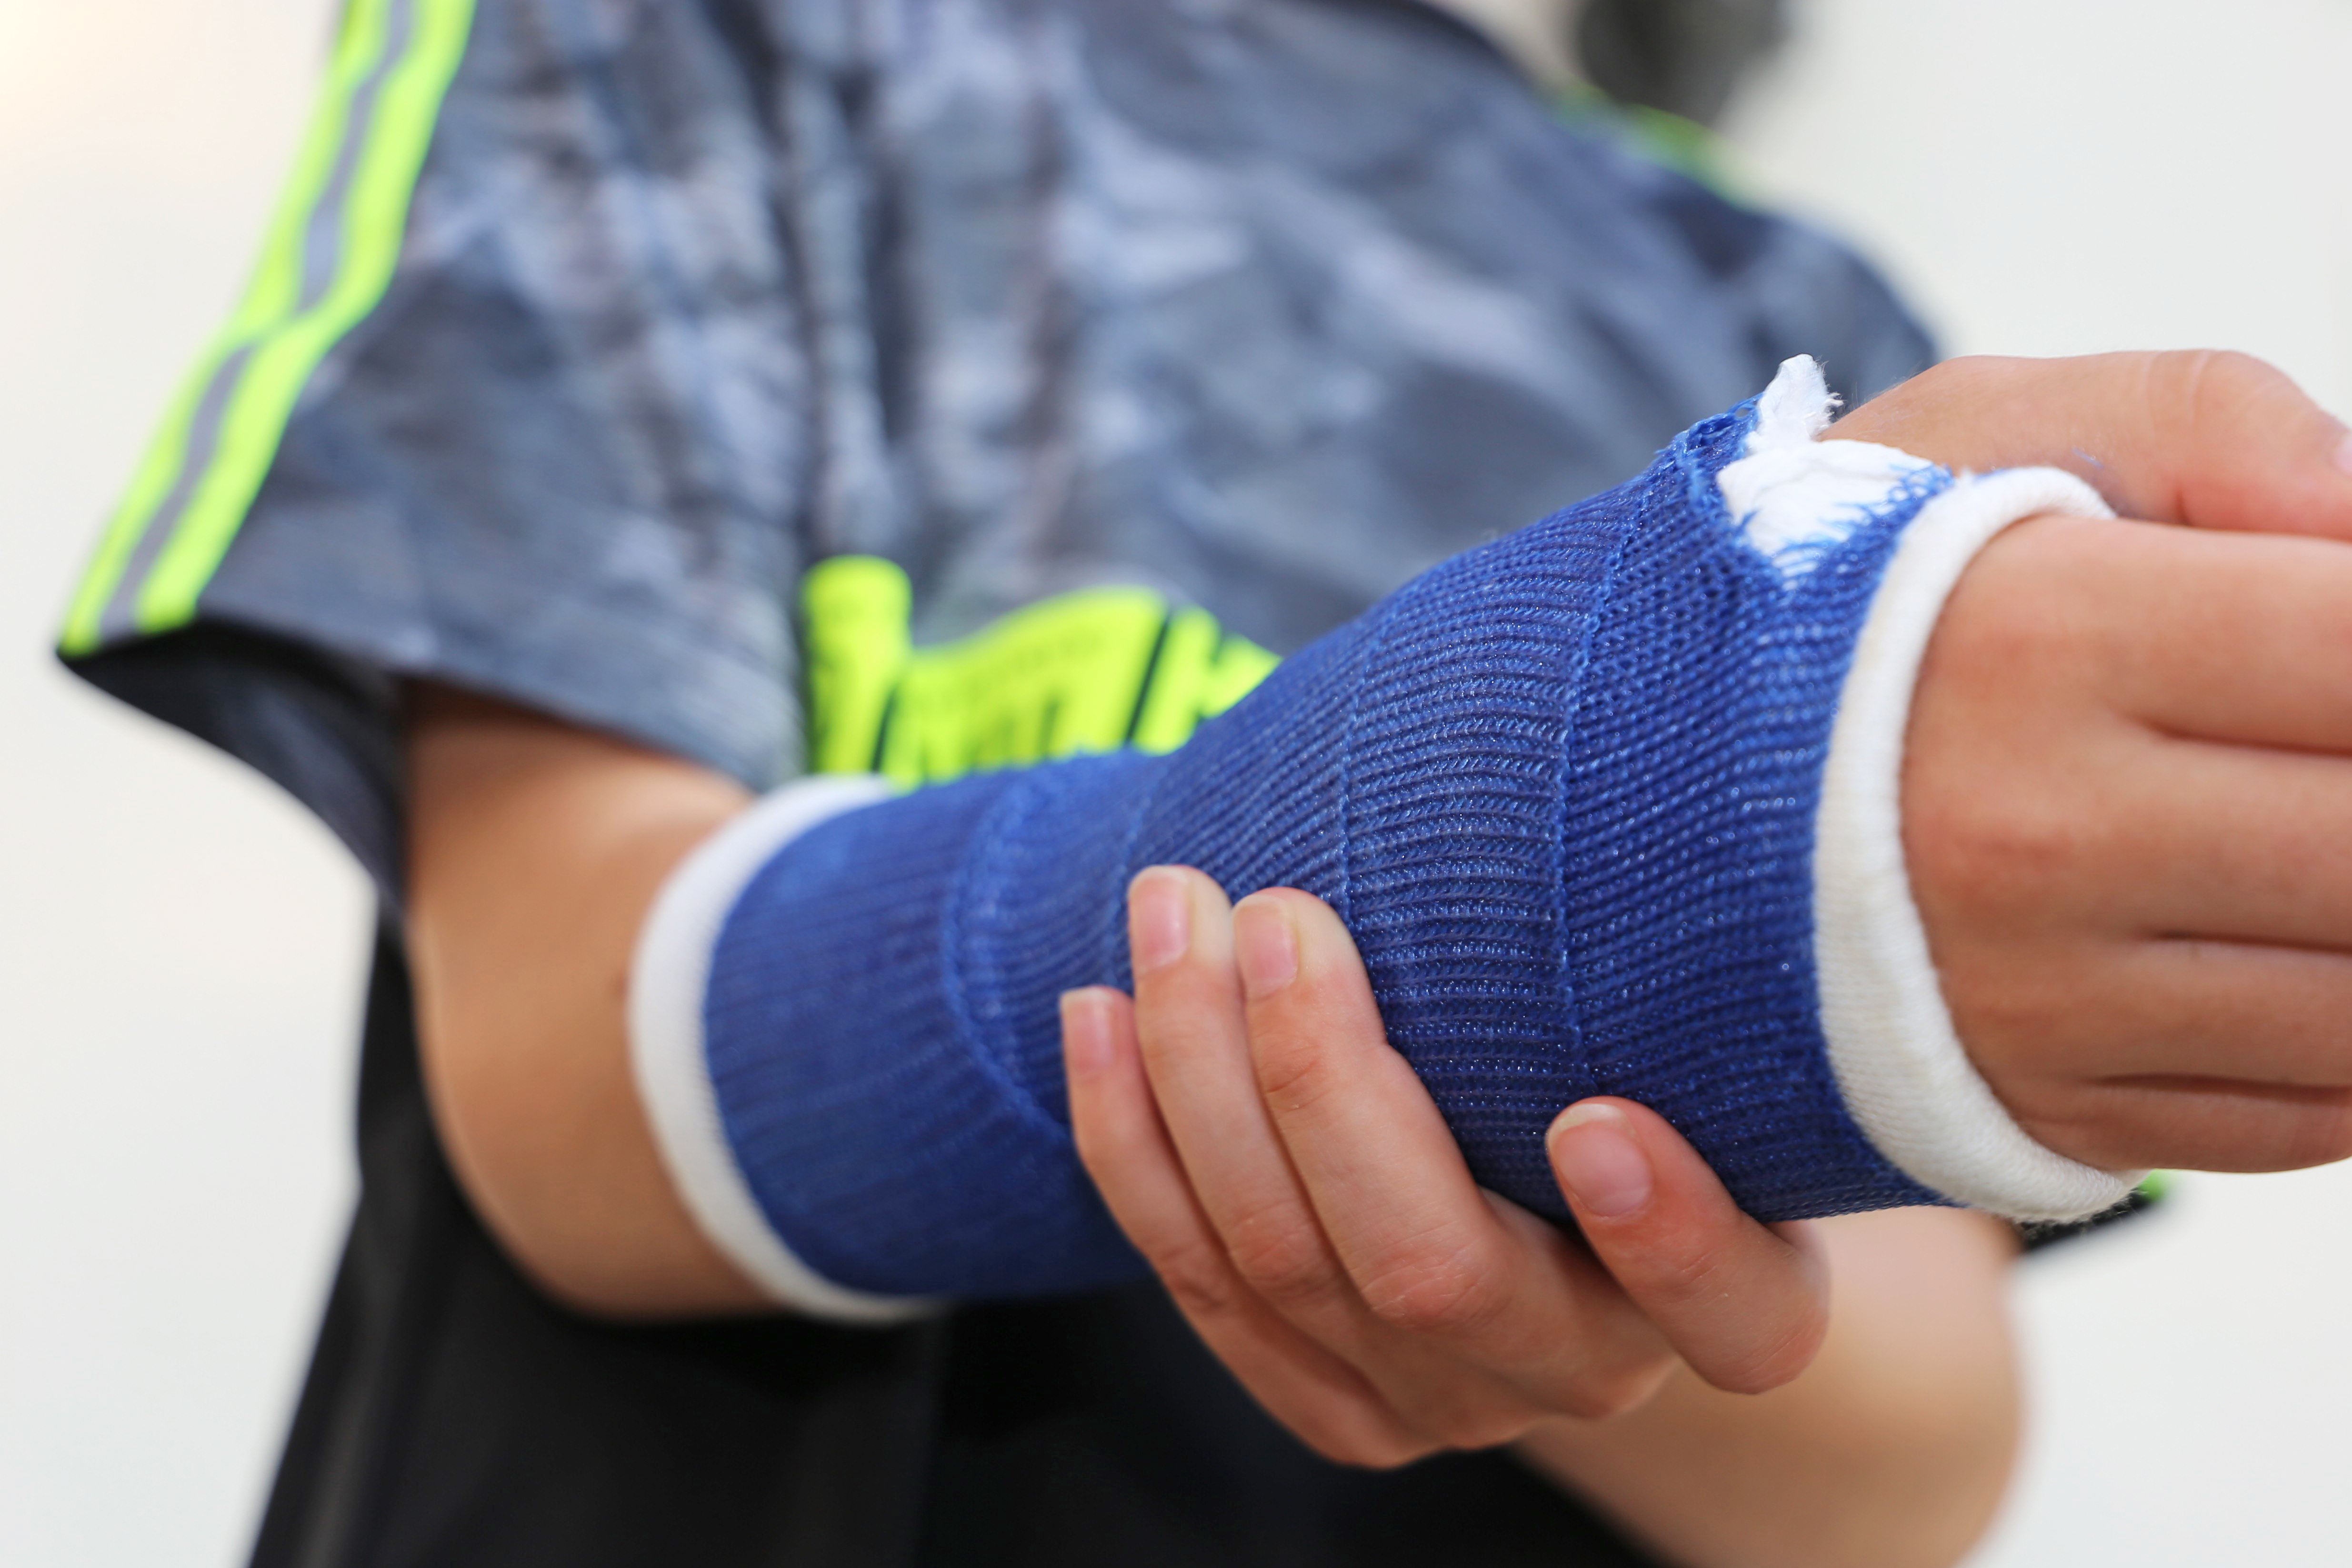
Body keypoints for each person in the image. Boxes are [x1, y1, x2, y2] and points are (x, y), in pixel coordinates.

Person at [55, 0, 2352, 1563]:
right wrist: (1488, 915)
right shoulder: (708, 31)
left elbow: (1906, 1455)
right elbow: (560, 1080)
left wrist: (1551, 1240)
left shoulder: (1787, 309)